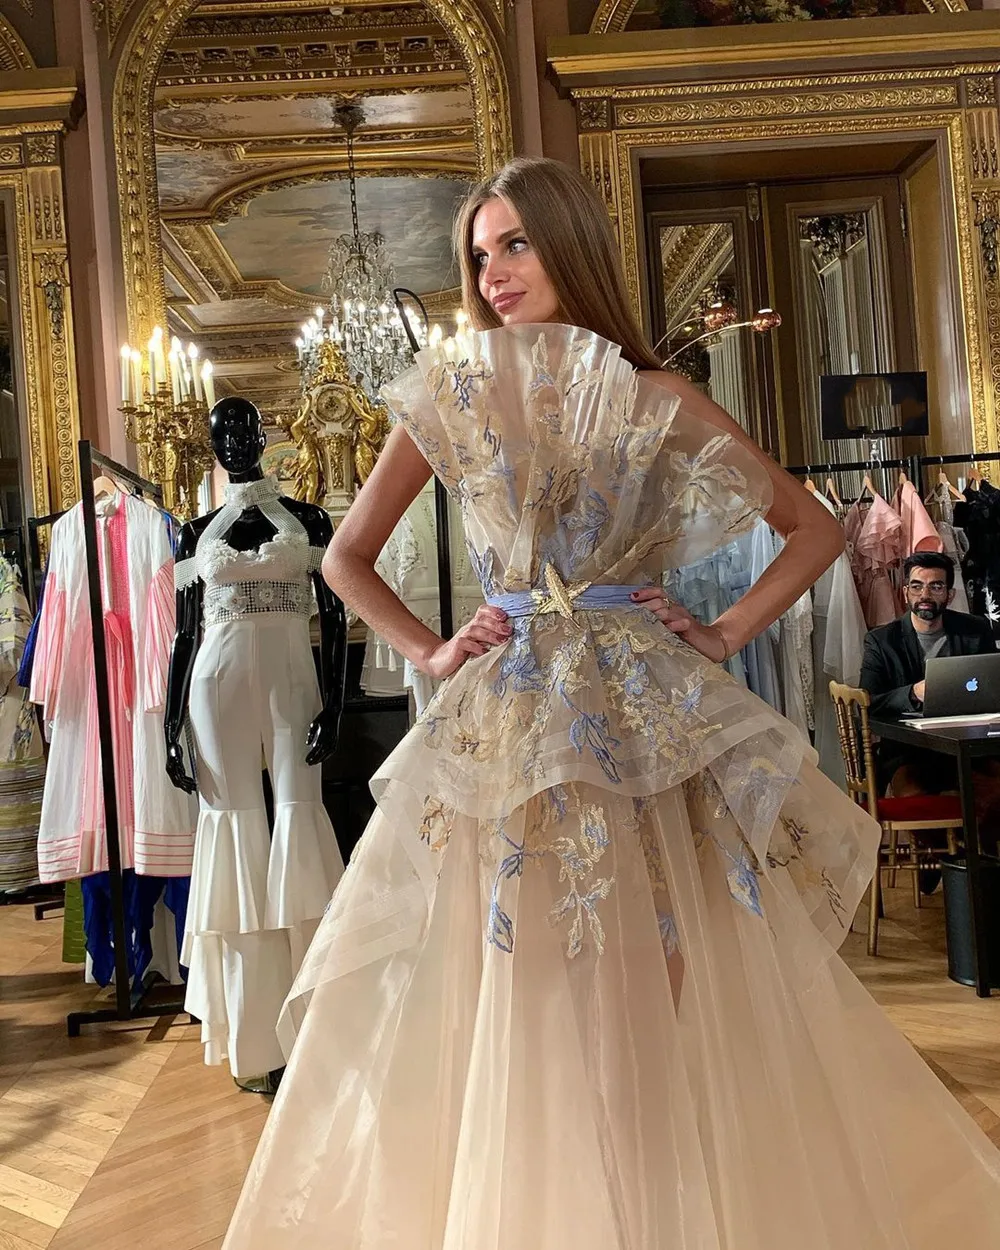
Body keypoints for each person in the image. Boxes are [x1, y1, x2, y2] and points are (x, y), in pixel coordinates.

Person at [223, 157, 1000, 1249]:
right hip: (508, 728)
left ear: (569, 246)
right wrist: (433, 651)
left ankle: (649, 1216)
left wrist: (724, 631)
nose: (493, 273)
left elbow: (815, 529)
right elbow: (345, 558)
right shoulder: (452, 394)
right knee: (520, 1000)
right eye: (479, 255)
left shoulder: (653, 394)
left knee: (649, 1001)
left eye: (516, 244)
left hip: (640, 723)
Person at [860, 550, 996, 797]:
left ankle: (969, 823)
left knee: (993, 793)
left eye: (936, 587)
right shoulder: (881, 641)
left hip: (970, 749)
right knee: (917, 797)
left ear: (950, 594)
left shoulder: (975, 630)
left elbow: (994, 686)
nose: (925, 595)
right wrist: (913, 693)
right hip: (908, 754)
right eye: (916, 586)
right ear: (905, 593)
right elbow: (869, 701)